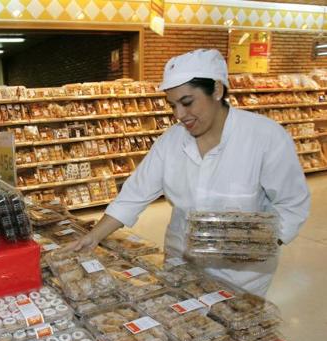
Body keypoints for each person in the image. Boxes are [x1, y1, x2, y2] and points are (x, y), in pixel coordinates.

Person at [68, 49, 310, 296]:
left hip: (242, 275)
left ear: (217, 90)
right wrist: (94, 236)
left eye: (187, 102)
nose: (179, 115)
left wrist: (253, 245)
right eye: (173, 105)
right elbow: (134, 194)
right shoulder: (171, 141)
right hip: (181, 265)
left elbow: (292, 203)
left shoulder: (265, 137)